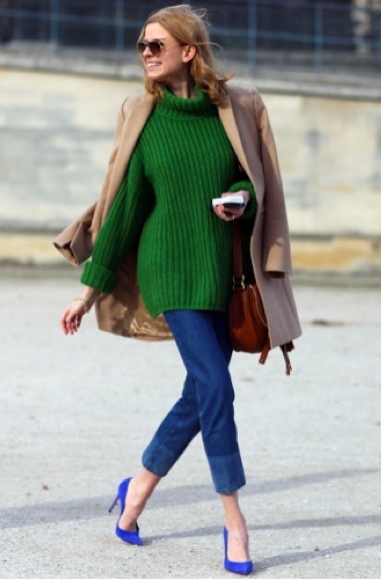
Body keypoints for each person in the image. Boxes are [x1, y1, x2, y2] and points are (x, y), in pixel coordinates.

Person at [55, 4, 301, 575]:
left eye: (156, 45)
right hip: (169, 270)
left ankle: (137, 489)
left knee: (199, 392)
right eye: (142, 45)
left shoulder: (234, 110)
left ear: (189, 51)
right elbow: (123, 212)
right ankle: (235, 522)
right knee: (216, 384)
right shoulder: (145, 118)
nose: (145, 53)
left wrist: (240, 199)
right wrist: (86, 293)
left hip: (223, 270)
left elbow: (255, 182)